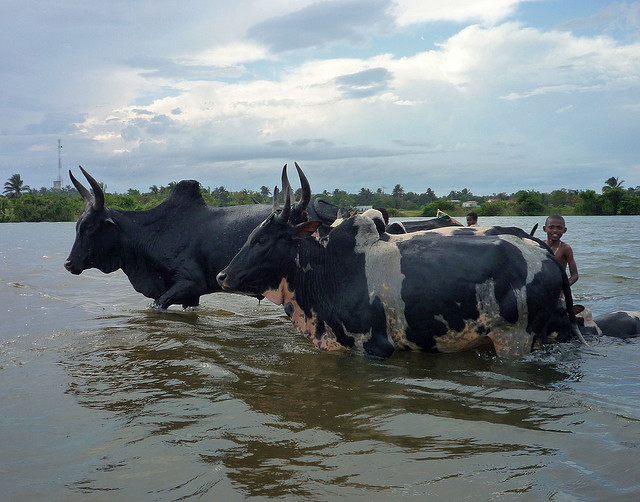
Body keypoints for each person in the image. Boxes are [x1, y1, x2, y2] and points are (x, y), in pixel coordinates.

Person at [543, 214, 579, 286]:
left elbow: (575, 276)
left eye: (559, 228)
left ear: (564, 230)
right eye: (551, 227)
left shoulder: (565, 248)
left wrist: (562, 288)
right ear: (545, 229)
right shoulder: (539, 245)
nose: (555, 231)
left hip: (557, 288)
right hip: (542, 288)